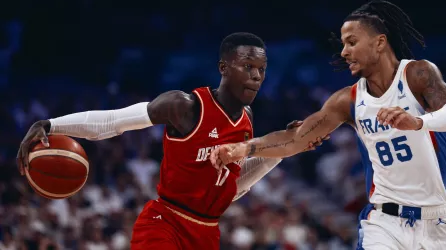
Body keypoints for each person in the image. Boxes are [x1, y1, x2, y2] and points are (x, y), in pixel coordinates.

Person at [16, 32, 321, 250]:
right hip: (165, 224)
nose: (256, 76)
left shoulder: (246, 120)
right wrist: (50, 124)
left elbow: (234, 186)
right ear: (224, 68)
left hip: (206, 233)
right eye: (248, 67)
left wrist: (283, 149)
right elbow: (113, 121)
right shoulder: (185, 106)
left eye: (262, 70)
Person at [210, 0, 446, 250]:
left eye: (352, 43)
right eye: (344, 44)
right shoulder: (347, 100)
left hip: (439, 219)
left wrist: (418, 122)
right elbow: (296, 138)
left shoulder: (417, 74)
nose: (344, 52)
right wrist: (243, 149)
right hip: (385, 221)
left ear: (379, 43)